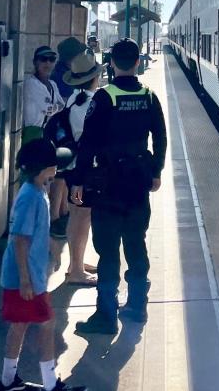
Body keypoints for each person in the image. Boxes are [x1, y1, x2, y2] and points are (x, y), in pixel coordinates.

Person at [71, 39, 167, 335]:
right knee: (136, 244)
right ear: (137, 62)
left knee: (108, 251)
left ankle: (106, 314)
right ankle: (137, 305)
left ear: (111, 63)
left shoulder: (103, 98)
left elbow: (88, 144)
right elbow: (160, 139)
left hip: (108, 184)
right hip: (138, 181)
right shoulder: (149, 96)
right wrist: (156, 171)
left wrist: (78, 180)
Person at [0, 139, 88, 391]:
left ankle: (8, 381)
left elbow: (31, 234)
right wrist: (26, 279)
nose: (56, 170)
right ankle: (50, 386)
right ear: (44, 169)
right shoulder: (31, 197)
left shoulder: (33, 191)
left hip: (23, 277)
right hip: (27, 280)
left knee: (19, 325)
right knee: (46, 326)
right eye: (53, 166)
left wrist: (52, 248)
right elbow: (20, 239)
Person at [56, 52, 104, 286]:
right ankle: (75, 269)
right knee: (81, 216)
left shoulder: (75, 99)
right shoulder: (88, 105)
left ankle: (76, 261)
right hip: (82, 172)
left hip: (74, 170)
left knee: (78, 214)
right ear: (94, 77)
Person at [21, 45, 63, 146]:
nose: (48, 63)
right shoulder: (31, 83)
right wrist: (57, 107)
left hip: (46, 132)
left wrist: (56, 107)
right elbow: (48, 110)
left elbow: (62, 105)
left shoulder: (52, 84)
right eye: (43, 59)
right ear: (35, 62)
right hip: (32, 132)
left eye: (51, 59)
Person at [51, 36, 87, 101]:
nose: (83, 57)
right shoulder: (60, 76)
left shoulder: (72, 72)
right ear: (72, 57)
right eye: (80, 54)